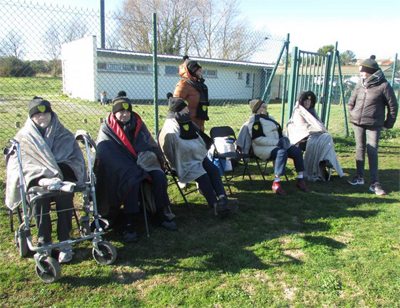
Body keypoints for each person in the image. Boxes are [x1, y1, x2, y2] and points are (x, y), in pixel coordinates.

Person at [5, 97, 86, 263]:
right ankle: (44, 243)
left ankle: (65, 242)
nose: (42, 118)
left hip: (62, 180)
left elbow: (75, 159)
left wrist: (60, 175)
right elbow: (20, 166)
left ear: (51, 114)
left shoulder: (63, 134)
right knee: (39, 200)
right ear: (31, 117)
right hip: (37, 182)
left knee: (65, 197)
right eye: (37, 115)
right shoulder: (23, 138)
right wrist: (42, 178)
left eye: (46, 114)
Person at [95, 97, 177, 243]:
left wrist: (151, 158)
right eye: (121, 111)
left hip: (143, 162)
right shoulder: (106, 128)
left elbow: (149, 144)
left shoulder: (138, 123)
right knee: (132, 180)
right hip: (121, 167)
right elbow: (105, 152)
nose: (125, 114)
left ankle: (160, 213)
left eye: (127, 111)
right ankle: (129, 222)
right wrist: (130, 165)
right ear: (114, 113)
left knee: (159, 176)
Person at [158, 97, 230, 216]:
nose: (188, 110)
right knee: (203, 176)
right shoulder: (169, 129)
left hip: (197, 157)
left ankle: (222, 198)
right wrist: (177, 163)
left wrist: (197, 154)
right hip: (183, 162)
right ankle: (214, 204)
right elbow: (169, 153)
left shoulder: (185, 121)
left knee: (214, 170)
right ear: (178, 110)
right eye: (185, 107)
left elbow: (199, 140)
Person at [347, 55, 398, 195]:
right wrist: (352, 113)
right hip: (357, 123)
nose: (361, 73)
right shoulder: (360, 84)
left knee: (372, 151)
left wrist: (388, 124)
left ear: (370, 71)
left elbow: (393, 106)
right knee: (359, 149)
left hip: (374, 124)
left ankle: (375, 183)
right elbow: (351, 101)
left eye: (363, 71)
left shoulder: (384, 86)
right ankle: (359, 177)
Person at [237, 99, 309, 195]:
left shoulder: (270, 118)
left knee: (296, 151)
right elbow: (257, 139)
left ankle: (300, 179)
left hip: (277, 145)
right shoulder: (255, 121)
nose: (265, 108)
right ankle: (276, 182)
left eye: (265, 106)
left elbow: (280, 132)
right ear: (257, 109)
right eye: (262, 106)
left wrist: (285, 140)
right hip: (262, 148)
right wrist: (277, 142)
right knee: (281, 152)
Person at [286, 90, 344, 181]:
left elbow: (318, 125)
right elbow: (303, 128)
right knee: (326, 139)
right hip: (302, 139)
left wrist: (319, 131)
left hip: (314, 136)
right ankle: (324, 162)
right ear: (301, 101)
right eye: (305, 100)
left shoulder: (312, 111)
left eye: (310, 100)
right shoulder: (298, 111)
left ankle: (323, 162)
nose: (307, 102)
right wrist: (319, 131)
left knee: (326, 138)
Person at [173, 56, 209, 131]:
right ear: (192, 72)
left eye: (201, 70)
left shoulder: (200, 85)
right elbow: (175, 103)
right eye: (199, 71)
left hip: (200, 124)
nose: (201, 73)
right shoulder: (183, 84)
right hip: (187, 125)